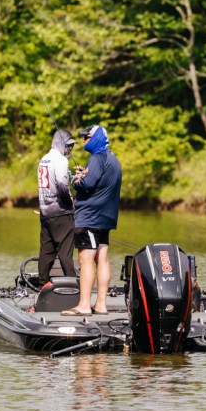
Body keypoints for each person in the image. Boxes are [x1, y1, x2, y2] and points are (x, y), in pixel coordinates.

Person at [62, 124, 122, 316]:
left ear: (96, 139)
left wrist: (75, 179)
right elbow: (99, 182)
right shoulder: (113, 159)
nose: (84, 140)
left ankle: (84, 306)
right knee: (102, 259)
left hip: (89, 217)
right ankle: (101, 305)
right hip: (106, 217)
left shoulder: (96, 158)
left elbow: (86, 184)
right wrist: (85, 172)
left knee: (85, 260)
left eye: (87, 137)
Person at [37, 129, 78, 286]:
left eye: (72, 146)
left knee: (46, 252)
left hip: (45, 213)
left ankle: (42, 285)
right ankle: (73, 286)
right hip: (61, 213)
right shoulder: (61, 160)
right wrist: (69, 203)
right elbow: (61, 183)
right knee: (65, 252)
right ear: (60, 143)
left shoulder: (44, 159)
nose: (70, 149)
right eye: (68, 145)